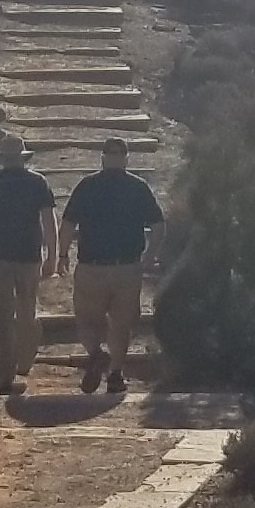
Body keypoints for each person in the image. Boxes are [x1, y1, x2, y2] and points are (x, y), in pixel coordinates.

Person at [61, 136, 165, 397]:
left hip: (91, 267)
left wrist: (61, 254)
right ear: (126, 159)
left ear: (103, 158)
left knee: (87, 321)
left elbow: (68, 224)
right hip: (127, 268)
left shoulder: (87, 186)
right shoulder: (138, 187)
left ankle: (96, 354)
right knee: (122, 324)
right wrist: (149, 256)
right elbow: (158, 225)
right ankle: (116, 374)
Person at [0, 136, 58, 392]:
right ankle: (25, 358)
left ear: (2, 159)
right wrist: (52, 255)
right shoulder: (37, 182)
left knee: (1, 317)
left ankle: (5, 374)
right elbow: (49, 221)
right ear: (22, 158)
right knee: (26, 311)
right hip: (29, 256)